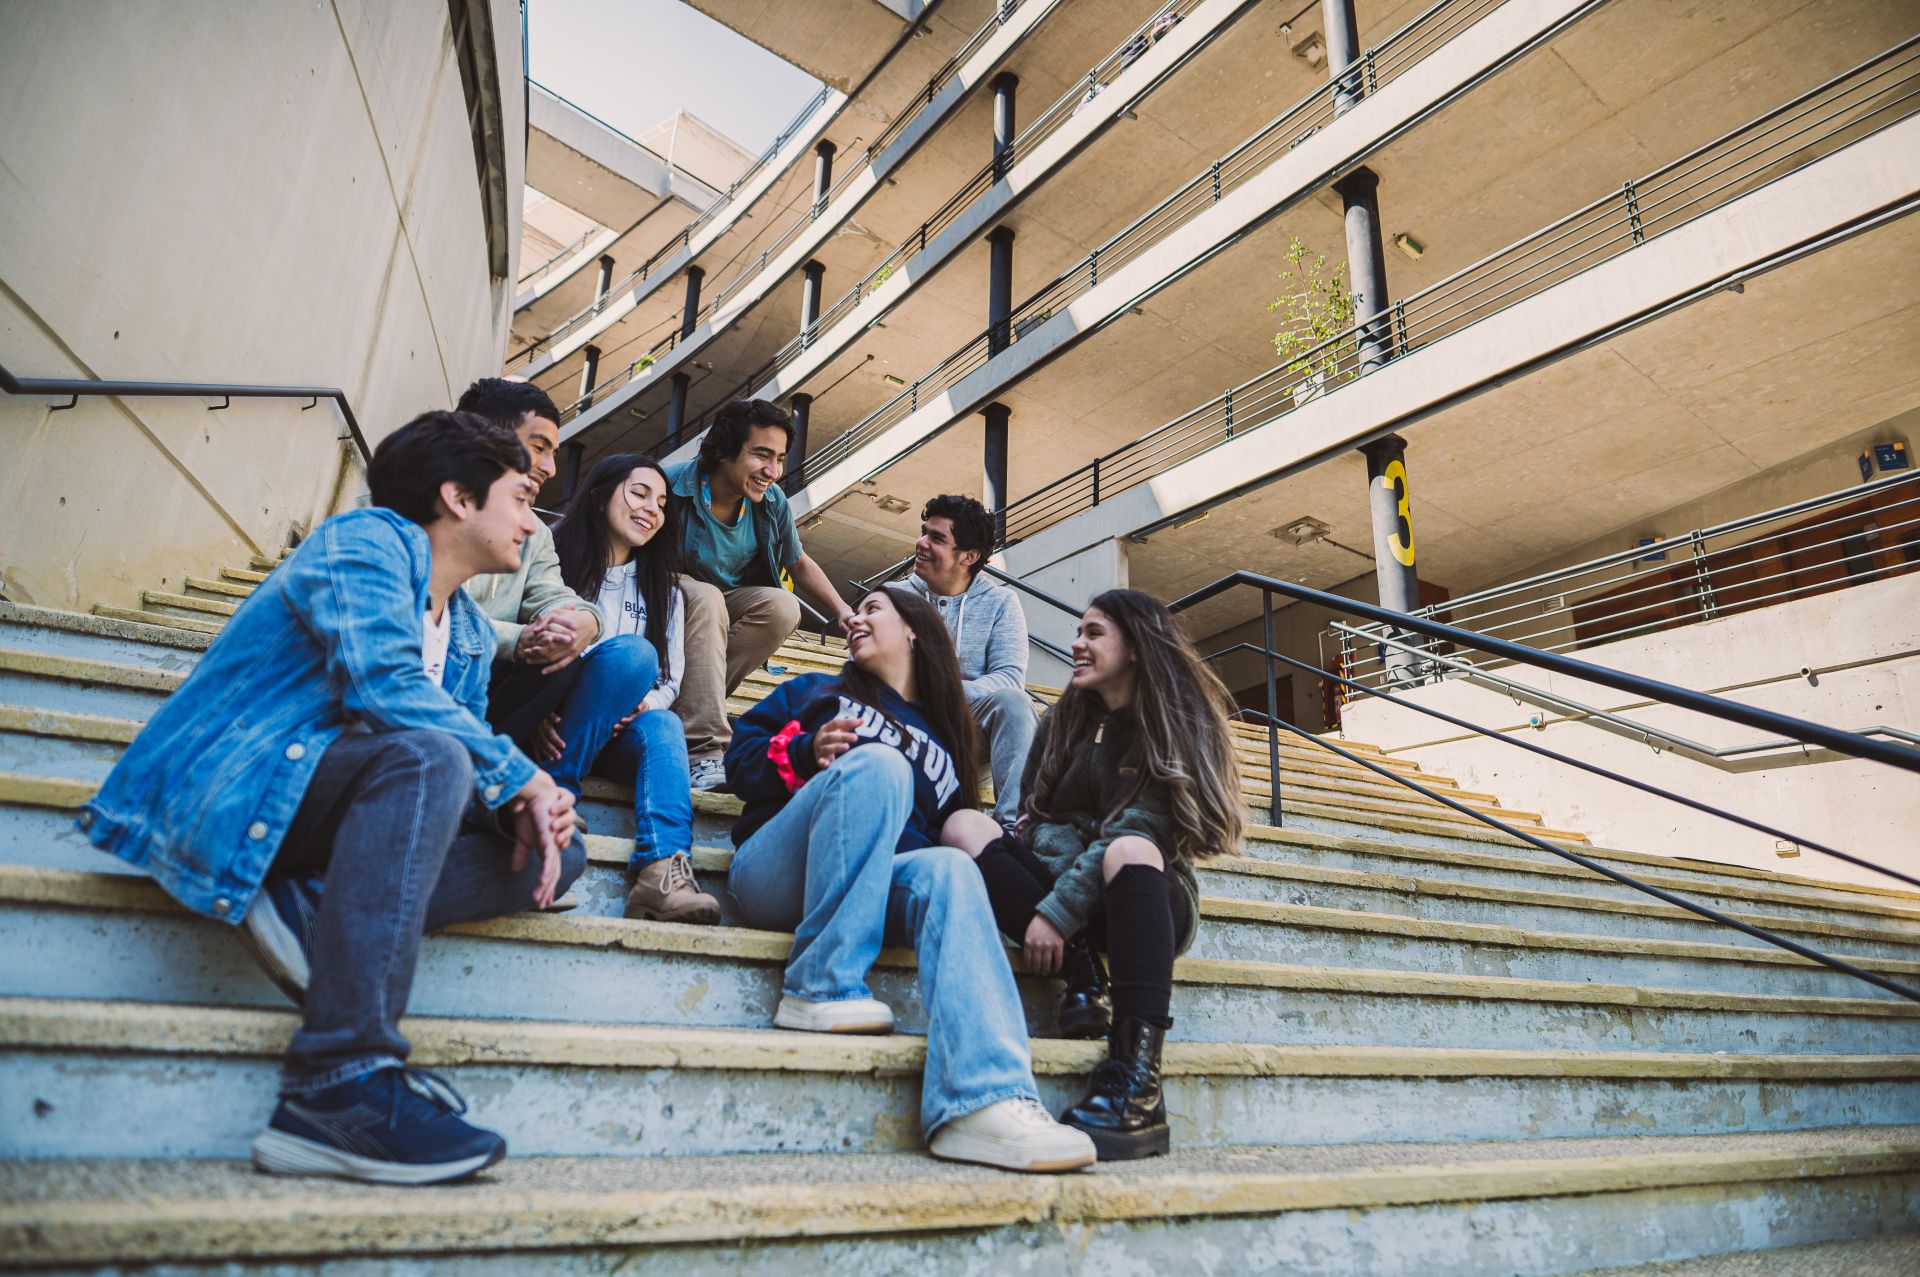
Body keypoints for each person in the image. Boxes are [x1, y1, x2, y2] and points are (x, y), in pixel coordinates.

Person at [79, 410, 586, 1184]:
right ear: (457, 496)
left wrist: (529, 805)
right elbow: (384, 685)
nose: (530, 519)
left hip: (332, 808)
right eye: (519, 497)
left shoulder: (470, 634)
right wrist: (522, 774)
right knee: (431, 756)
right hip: (237, 793)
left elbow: (460, 767)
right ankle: (336, 1083)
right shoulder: (368, 541)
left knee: (560, 850)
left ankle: (315, 907)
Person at [723, 586, 1095, 1173]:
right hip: (778, 872)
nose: (855, 618)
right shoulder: (817, 691)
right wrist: (804, 753)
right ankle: (819, 983)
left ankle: (982, 1099)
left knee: (951, 867)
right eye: (858, 609)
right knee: (879, 763)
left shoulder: (946, 741)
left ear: (915, 629)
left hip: (876, 887)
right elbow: (737, 762)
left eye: (873, 608)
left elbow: (943, 836)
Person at [943, 589, 1244, 1162]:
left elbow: (1137, 829)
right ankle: (1081, 969)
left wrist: (1058, 914)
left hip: (1143, 895)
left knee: (1126, 847)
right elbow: (1034, 818)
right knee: (965, 825)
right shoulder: (1062, 720)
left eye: (1094, 633)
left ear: (1136, 645)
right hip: (1064, 888)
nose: (1077, 644)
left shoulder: (1173, 724)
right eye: (1078, 632)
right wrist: (1057, 894)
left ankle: (1137, 1083)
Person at [543, 451, 718, 923]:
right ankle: (552, 805)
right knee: (633, 655)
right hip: (557, 727)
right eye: (639, 494)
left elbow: (670, 680)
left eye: (661, 504)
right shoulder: (552, 560)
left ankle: (663, 868)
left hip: (620, 735)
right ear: (601, 497)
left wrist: (643, 703)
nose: (651, 510)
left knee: (663, 723)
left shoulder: (664, 591)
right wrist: (537, 711)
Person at [669, 398, 853, 791]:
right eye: (762, 455)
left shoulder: (771, 503)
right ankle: (702, 751)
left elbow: (798, 562)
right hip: (667, 602)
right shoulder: (671, 486)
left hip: (722, 609)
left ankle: (687, 704)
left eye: (780, 459)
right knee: (706, 596)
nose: (773, 471)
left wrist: (841, 610)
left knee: (783, 606)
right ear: (725, 450)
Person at [458, 378, 605, 744]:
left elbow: (553, 594)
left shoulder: (535, 532)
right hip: (410, 678)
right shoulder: (401, 511)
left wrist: (584, 620)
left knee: (562, 655)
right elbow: (424, 621)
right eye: (539, 447)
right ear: (484, 437)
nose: (551, 468)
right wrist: (518, 639)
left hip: (482, 678)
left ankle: (486, 757)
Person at [902, 494, 1037, 825]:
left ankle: (1015, 829)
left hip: (967, 731)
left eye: (937, 538)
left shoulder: (1001, 602)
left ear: (969, 556)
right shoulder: (894, 597)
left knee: (1014, 702)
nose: (921, 543)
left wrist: (945, 691)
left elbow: (1009, 678)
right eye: (923, 532)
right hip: (905, 728)